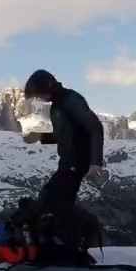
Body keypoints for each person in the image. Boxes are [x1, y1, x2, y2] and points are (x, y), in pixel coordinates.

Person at [20, 69, 106, 211]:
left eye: (38, 95)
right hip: (67, 165)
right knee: (50, 201)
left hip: (76, 164)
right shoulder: (57, 105)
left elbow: (95, 127)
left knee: (53, 204)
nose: (39, 99)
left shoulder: (71, 100)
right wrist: (39, 136)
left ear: (48, 86)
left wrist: (95, 163)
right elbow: (66, 134)